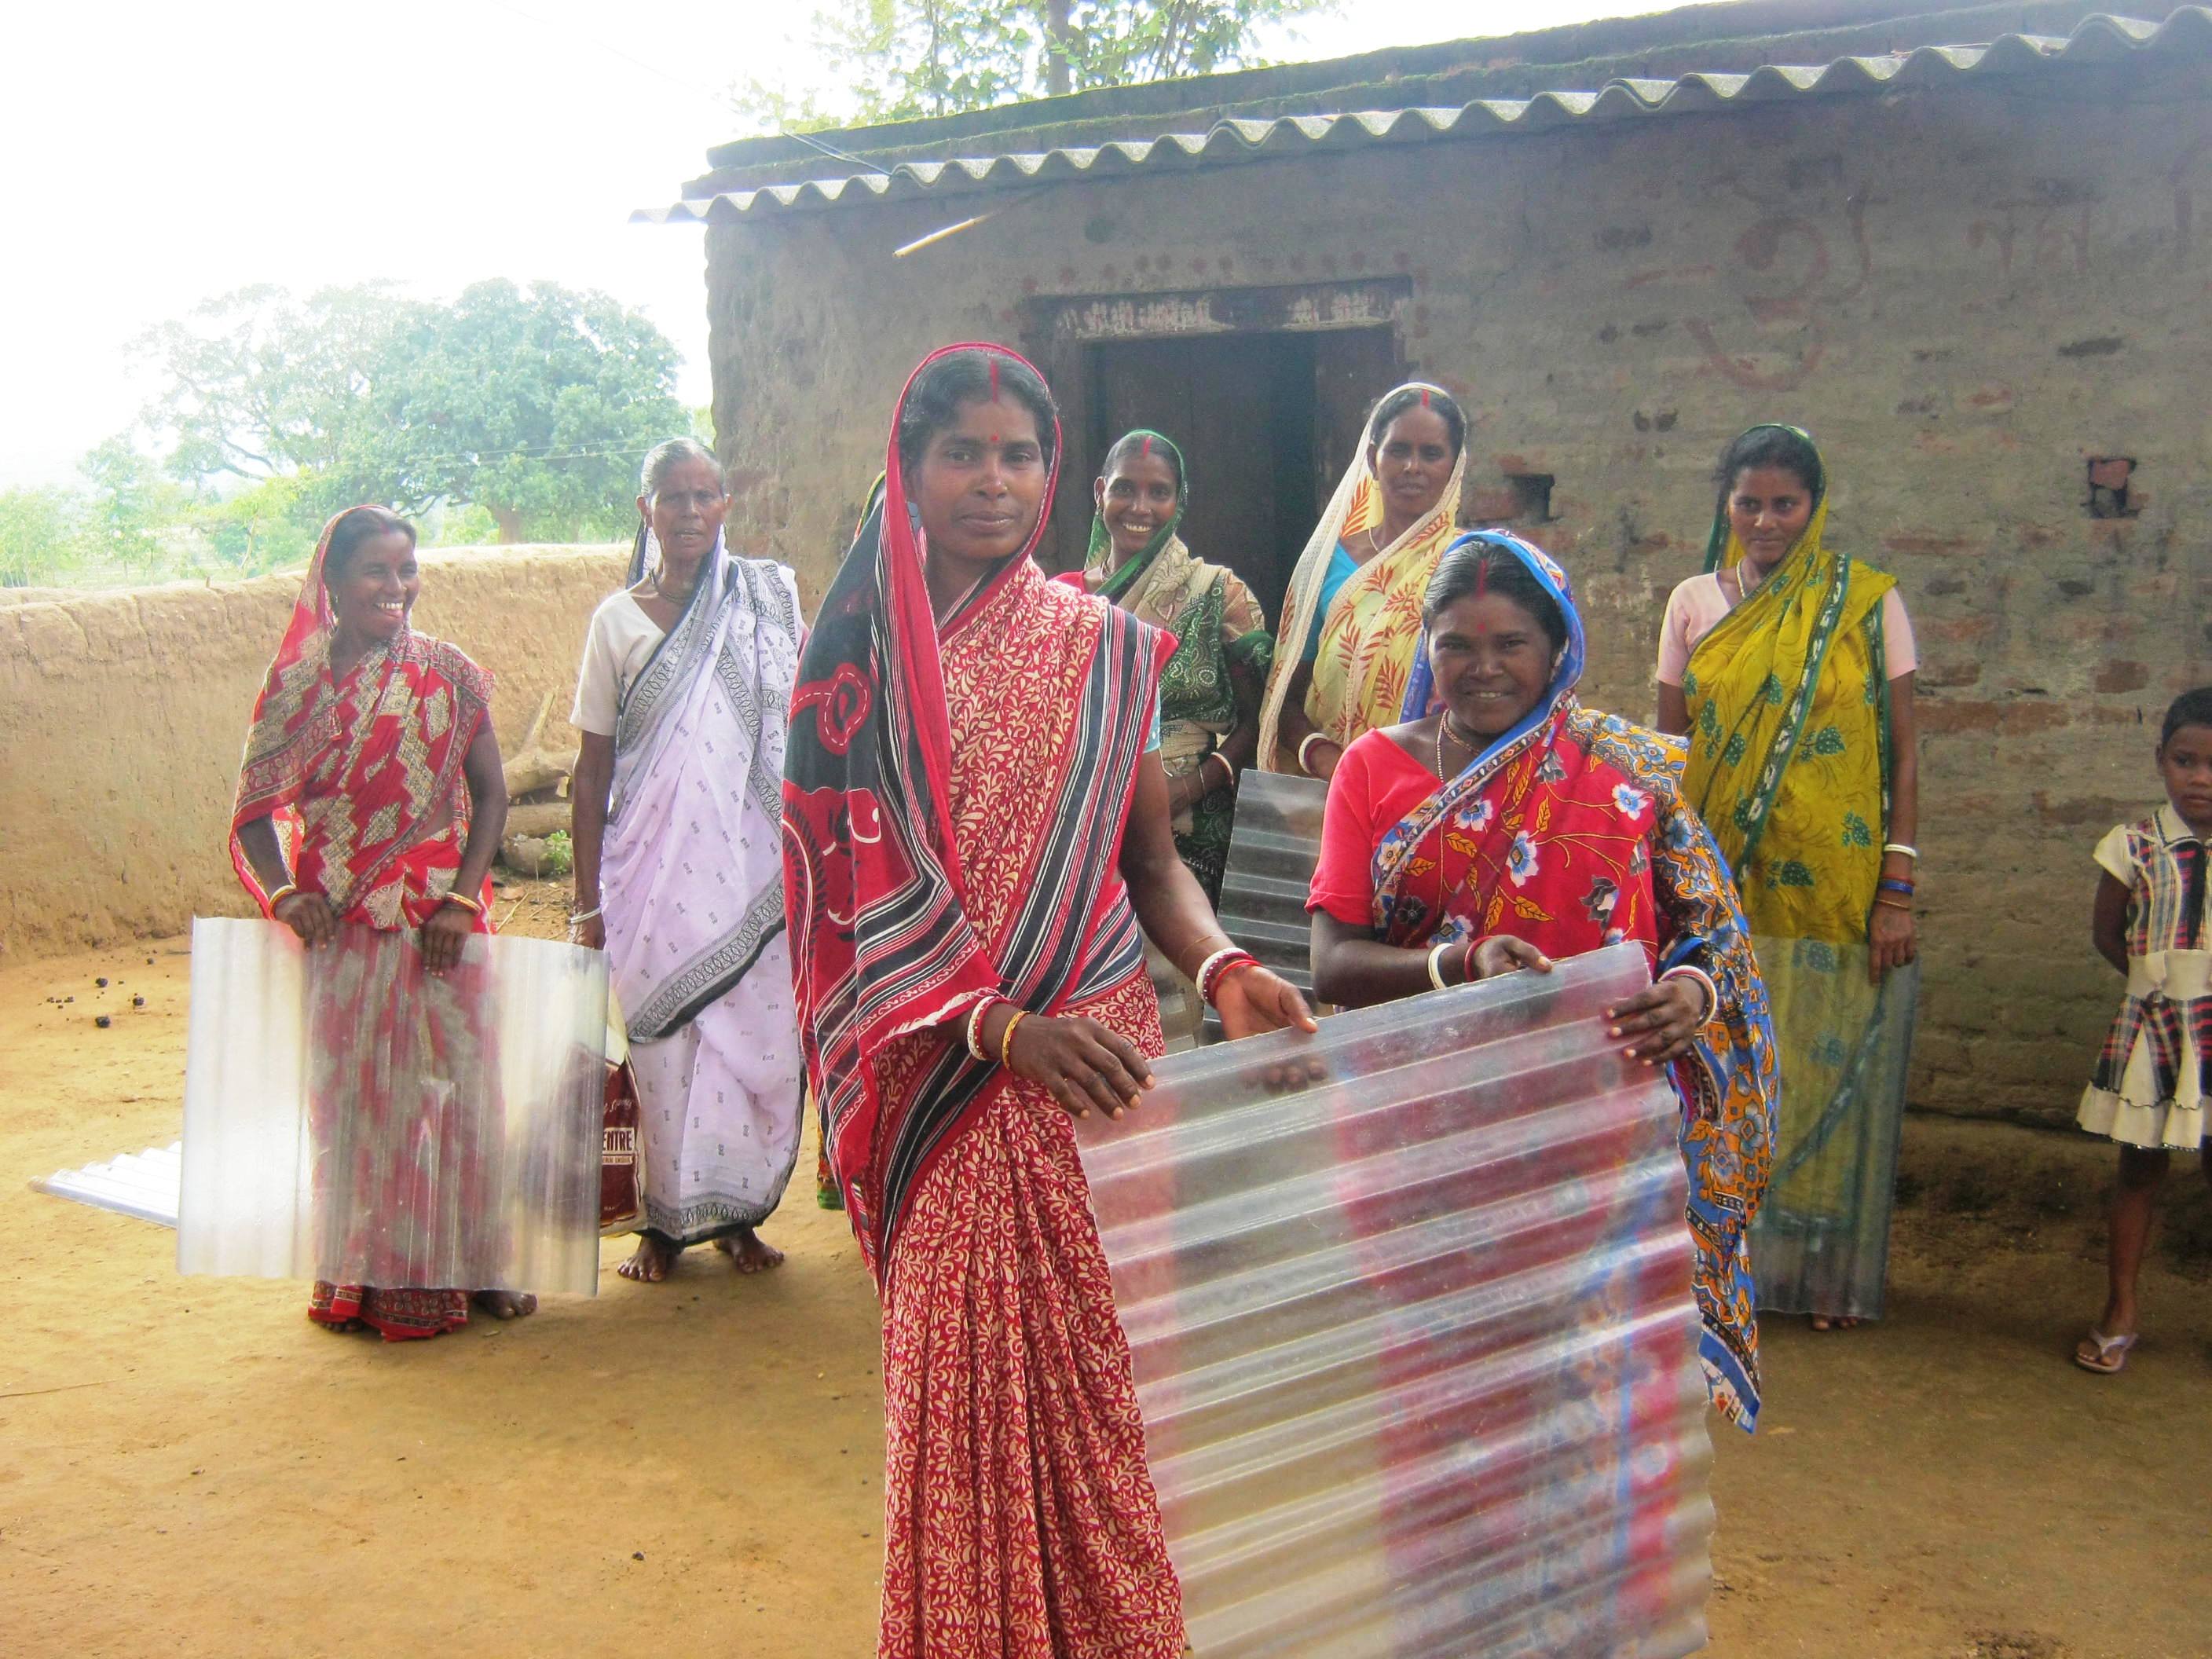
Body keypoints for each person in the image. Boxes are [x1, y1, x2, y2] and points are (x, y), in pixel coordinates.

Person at [782, 343, 1315, 1657]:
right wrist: (995, 1023)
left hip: (1100, 1071)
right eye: (962, 451)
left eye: (1018, 453)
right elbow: (834, 889)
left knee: (1099, 1398)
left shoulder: (1104, 647)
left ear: (1050, 471)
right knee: (964, 1408)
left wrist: (1225, 965)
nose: (993, 478)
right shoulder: (850, 662)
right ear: (908, 469)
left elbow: (1152, 870)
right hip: (952, 1077)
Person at [1309, 530, 1778, 1432]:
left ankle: (1578, 1571)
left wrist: (1689, 997)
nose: (1482, 668)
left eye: (1510, 644)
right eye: (1455, 645)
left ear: (1557, 647)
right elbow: (1334, 963)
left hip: (1589, 1128)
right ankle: (1439, 1565)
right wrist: (1461, 964)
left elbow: (1711, 937)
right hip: (1420, 1132)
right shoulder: (1372, 767)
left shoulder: (1622, 772)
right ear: (1426, 650)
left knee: (1582, 1388)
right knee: (1434, 1388)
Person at [230, 504, 526, 1339]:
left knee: (468, 1093)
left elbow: (491, 793)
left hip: (444, 924)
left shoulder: (449, 672)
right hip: (349, 929)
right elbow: (254, 813)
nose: (396, 588)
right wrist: (286, 895)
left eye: (406, 570)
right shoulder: (295, 688)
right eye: (375, 571)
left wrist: (462, 900)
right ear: (331, 582)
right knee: (360, 1106)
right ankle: (365, 1277)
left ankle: (481, 1267)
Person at [1657, 424, 1920, 1331]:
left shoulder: (1863, 602)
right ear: (1723, 505)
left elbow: (1904, 750)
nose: (1763, 522)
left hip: (1833, 875)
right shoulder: (1692, 600)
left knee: (1816, 1045)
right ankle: (1714, 1258)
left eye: (1783, 504)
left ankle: (1817, 1272)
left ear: (1814, 506)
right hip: (1715, 872)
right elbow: (1670, 755)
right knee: (1715, 1053)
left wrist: (1898, 884)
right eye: (1746, 503)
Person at [569, 437, 805, 1284]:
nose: (691, 513)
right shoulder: (616, 621)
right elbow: (591, 770)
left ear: (724, 506)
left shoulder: (766, 598)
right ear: (646, 511)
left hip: (750, 868)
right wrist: (585, 901)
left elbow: (799, 723)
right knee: (661, 1044)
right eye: (673, 498)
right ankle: (661, 1227)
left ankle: (738, 1213)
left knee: (755, 1035)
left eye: (705, 496)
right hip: (648, 872)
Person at [1068, 428, 1274, 903]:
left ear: (1178, 501)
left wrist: (1190, 786)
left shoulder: (1219, 593)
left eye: (1158, 493)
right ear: (1100, 492)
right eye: (1124, 488)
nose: (1140, 508)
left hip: (1195, 826)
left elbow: (1263, 716)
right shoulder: (1068, 597)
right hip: (1087, 825)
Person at [2073, 687, 2212, 1374]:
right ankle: (2120, 1308)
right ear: (2161, 761)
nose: (2201, 779)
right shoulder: (2132, 846)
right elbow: (2107, 935)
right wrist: (2157, 985)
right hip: (2155, 1029)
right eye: (2185, 761)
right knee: (2139, 1168)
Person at [1257, 381, 1468, 782]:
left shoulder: (1470, 566)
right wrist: (1323, 758)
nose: (1413, 467)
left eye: (1432, 454)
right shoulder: (1325, 565)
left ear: (1455, 466)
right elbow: (1284, 694)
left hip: (1437, 791)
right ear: (1373, 459)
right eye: (1399, 450)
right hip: (1333, 791)